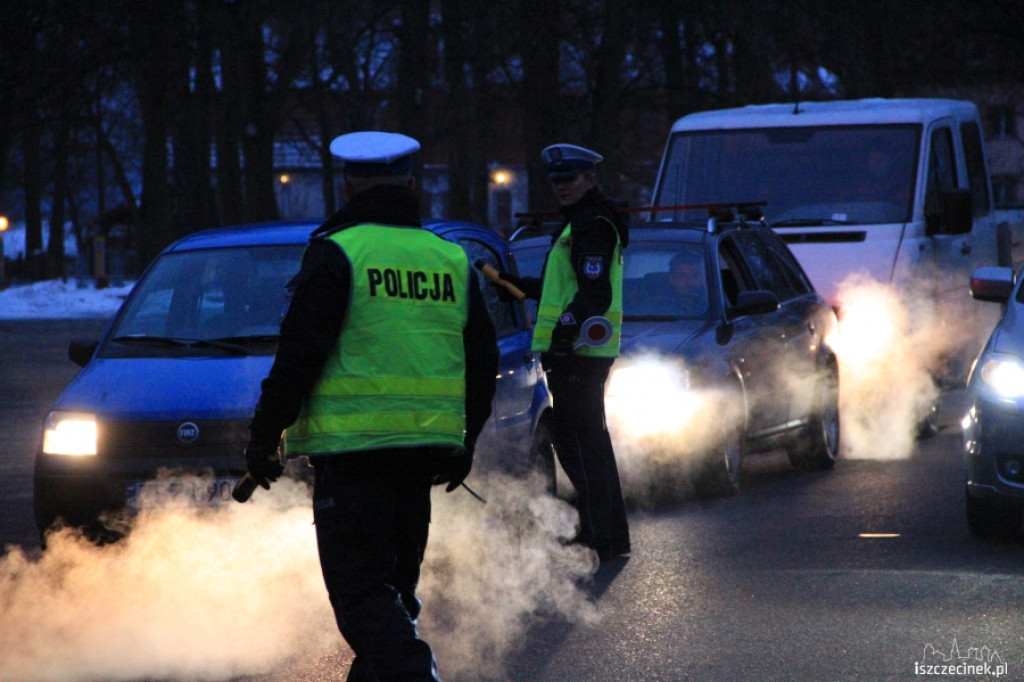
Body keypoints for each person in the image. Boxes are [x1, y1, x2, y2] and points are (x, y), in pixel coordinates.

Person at [242, 131, 499, 681]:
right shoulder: (450, 259)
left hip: (353, 459)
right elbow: (482, 362)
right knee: (393, 599)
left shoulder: (337, 253)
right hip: (422, 457)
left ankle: (416, 673)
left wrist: (264, 437)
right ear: (411, 185)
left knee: (362, 598)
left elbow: (300, 356)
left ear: (347, 185)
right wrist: (465, 442)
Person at [496, 143, 631, 561]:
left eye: (570, 179)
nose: (561, 187)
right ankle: (610, 535)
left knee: (580, 441)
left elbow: (594, 292)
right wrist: (512, 285)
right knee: (590, 441)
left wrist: (563, 332)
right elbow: (564, 290)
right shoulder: (579, 223)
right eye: (555, 181)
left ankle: (596, 535)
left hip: (579, 353)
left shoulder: (592, 225)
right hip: (579, 351)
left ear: (590, 179)